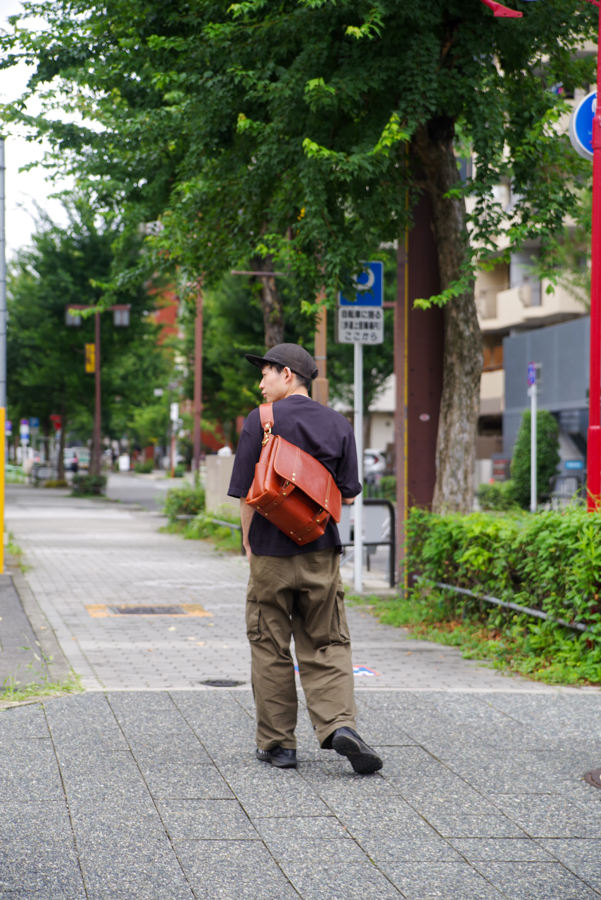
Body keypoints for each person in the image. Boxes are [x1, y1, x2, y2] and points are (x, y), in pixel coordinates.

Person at [228, 343, 383, 775]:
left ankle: (279, 746)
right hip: (320, 551)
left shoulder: (259, 422)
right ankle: (339, 726)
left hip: (270, 555)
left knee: (270, 646)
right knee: (328, 641)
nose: (260, 383)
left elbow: (246, 495)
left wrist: (249, 544)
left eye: (266, 374)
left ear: (289, 375)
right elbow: (348, 492)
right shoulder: (339, 424)